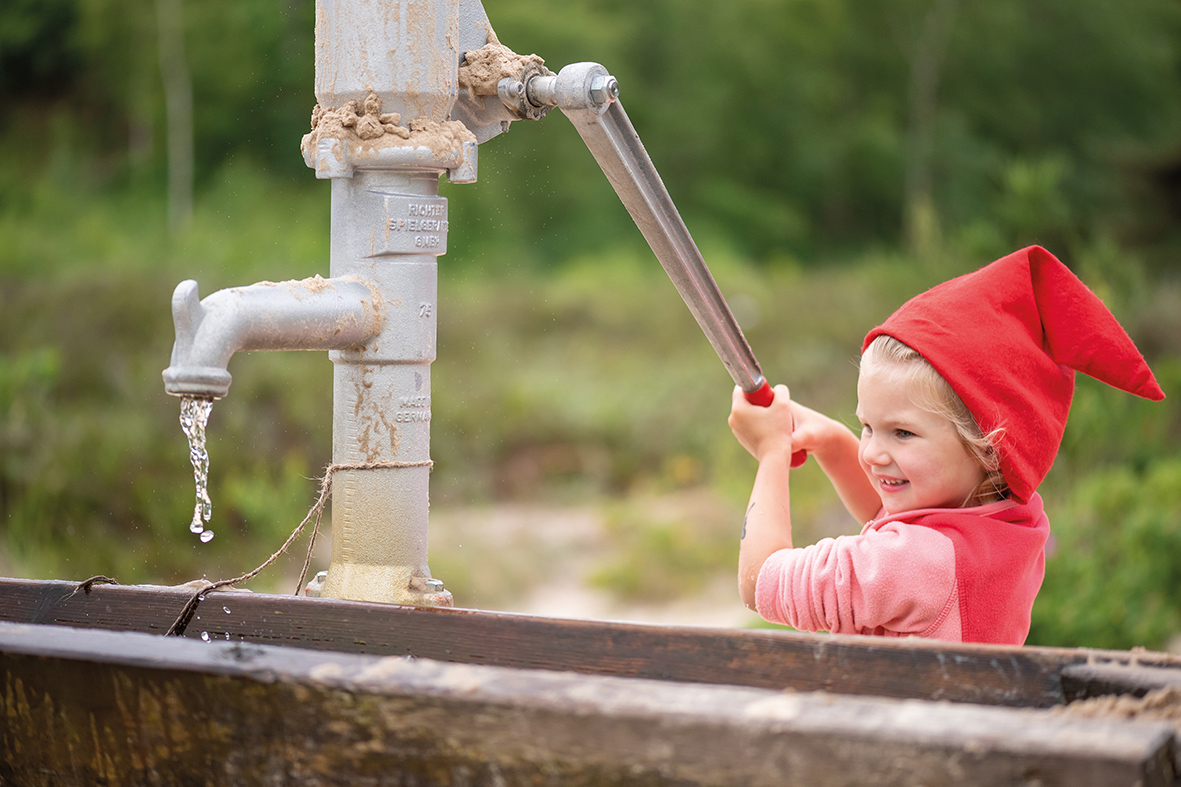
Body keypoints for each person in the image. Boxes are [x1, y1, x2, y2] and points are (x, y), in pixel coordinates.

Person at [728, 246, 1164, 645]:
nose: (873, 453)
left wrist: (771, 454)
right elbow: (895, 515)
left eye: (902, 433)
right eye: (866, 425)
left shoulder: (918, 565)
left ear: (988, 448)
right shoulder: (1012, 522)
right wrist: (833, 443)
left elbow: (761, 580)